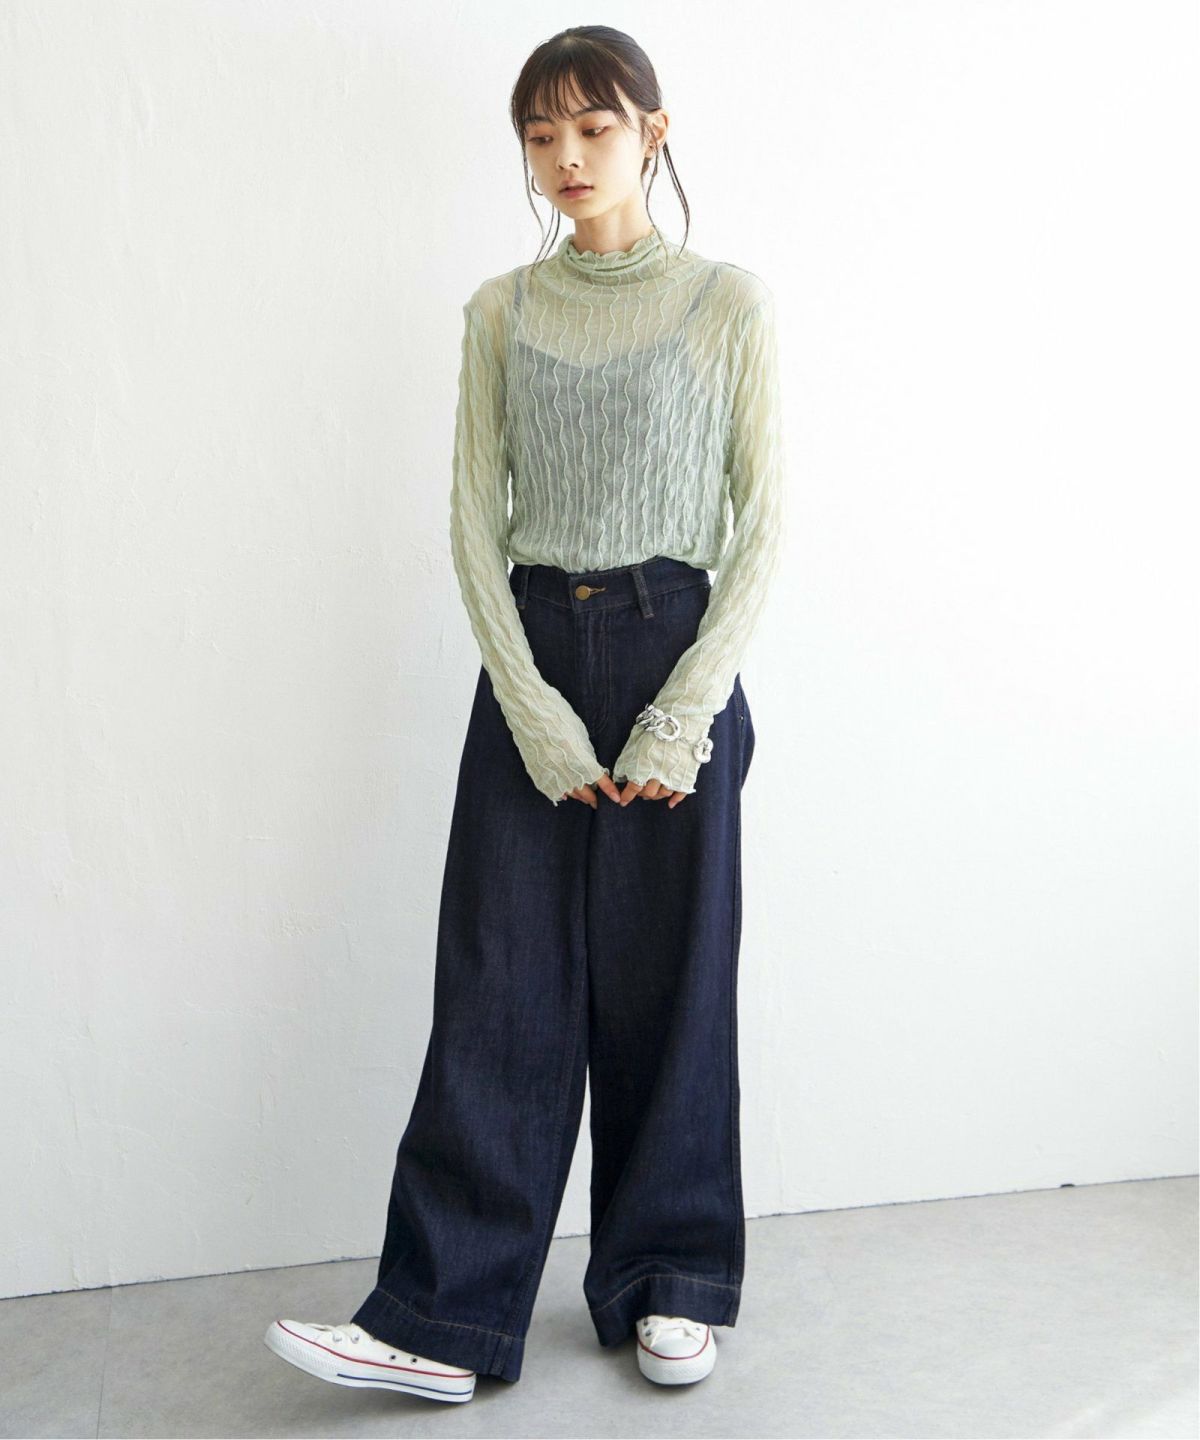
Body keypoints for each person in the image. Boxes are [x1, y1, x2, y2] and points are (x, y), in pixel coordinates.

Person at [265, 24, 786, 1404]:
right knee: (500, 987)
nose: (566, 157)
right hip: (533, 659)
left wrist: (681, 716)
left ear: (652, 133)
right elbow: (471, 526)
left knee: (674, 983)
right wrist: (535, 712)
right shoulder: (499, 311)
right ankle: (441, 1320)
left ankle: (670, 1281)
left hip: (679, 653)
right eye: (541, 135)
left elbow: (765, 529)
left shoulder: (728, 305)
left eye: (593, 129)